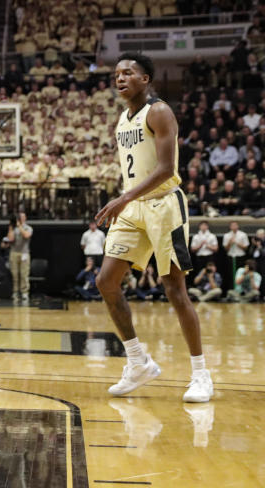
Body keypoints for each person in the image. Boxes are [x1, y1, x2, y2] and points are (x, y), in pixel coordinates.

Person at [96, 52, 212, 403]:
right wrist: (128, 199)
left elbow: (165, 168)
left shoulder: (159, 112)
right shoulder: (122, 119)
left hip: (163, 204)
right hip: (134, 206)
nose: (120, 78)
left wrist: (123, 197)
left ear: (145, 79)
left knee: (174, 289)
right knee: (106, 281)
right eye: (117, 74)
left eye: (128, 73)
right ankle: (137, 362)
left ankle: (201, 374)